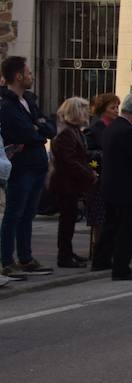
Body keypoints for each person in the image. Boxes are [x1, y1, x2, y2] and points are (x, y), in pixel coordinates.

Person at [91, 95, 132, 280]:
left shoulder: (113, 127)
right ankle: (121, 268)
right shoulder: (128, 131)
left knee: (111, 225)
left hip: (111, 184)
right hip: (126, 187)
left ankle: (101, 260)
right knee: (128, 229)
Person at [0, 55, 54, 278]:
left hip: (37, 163)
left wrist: (38, 128)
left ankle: (26, 257)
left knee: (28, 214)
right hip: (21, 167)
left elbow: (48, 128)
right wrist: (37, 130)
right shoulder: (7, 105)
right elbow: (26, 133)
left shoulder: (29, 100)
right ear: (19, 76)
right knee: (14, 213)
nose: (32, 76)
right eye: (29, 73)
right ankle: (6, 260)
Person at [49, 97, 96, 268]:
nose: (87, 113)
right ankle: (64, 256)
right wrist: (89, 174)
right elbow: (69, 160)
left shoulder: (74, 131)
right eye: (84, 110)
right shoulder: (67, 133)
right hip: (65, 183)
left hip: (71, 183)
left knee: (69, 220)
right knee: (66, 220)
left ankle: (68, 252)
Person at [84, 93, 120, 249]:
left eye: (117, 107)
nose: (116, 110)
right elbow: (89, 154)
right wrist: (97, 167)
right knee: (99, 218)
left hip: (113, 176)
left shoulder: (116, 126)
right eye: (113, 107)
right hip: (99, 177)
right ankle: (99, 247)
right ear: (103, 110)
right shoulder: (95, 128)